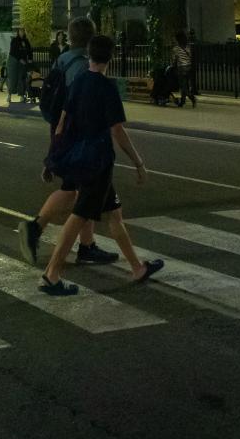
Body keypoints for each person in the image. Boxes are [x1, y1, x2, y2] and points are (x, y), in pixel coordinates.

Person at [31, 34, 164, 295]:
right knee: (79, 217)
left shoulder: (79, 82)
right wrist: (138, 162)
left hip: (81, 161)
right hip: (98, 163)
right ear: (111, 58)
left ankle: (137, 267)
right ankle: (51, 274)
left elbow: (61, 123)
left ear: (89, 56)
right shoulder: (107, 87)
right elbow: (118, 130)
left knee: (114, 213)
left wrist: (52, 158)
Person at [16, 18, 118, 267]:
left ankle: (86, 245)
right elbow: (75, 107)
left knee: (80, 190)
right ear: (92, 38)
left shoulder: (63, 59)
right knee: (76, 190)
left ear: (70, 37)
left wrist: (54, 150)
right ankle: (37, 228)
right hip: (78, 136)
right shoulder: (82, 67)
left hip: (65, 134)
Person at [170, 30, 197, 107]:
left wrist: (173, 67)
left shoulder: (176, 49)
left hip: (181, 68)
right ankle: (182, 101)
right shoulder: (188, 47)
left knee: (183, 86)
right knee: (185, 85)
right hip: (188, 67)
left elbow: (174, 60)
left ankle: (192, 97)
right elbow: (190, 57)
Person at [7, 28, 33, 103]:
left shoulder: (26, 41)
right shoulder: (14, 40)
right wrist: (19, 59)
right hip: (14, 62)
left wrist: (30, 59)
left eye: (23, 31)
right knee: (13, 78)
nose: (22, 33)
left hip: (23, 62)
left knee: (21, 78)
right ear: (18, 32)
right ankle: (9, 95)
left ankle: (22, 96)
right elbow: (13, 51)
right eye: (20, 31)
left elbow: (29, 51)